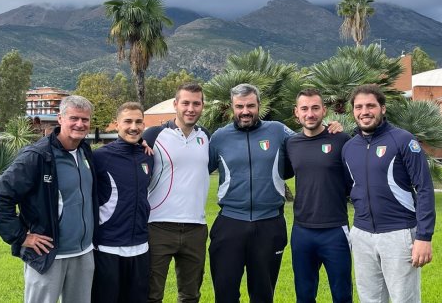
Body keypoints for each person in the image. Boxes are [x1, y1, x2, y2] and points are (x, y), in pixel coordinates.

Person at [0, 95, 97, 303]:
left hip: (83, 253)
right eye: (74, 118)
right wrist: (21, 237)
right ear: (60, 119)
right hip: (49, 255)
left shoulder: (84, 151)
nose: (80, 124)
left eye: (85, 119)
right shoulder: (37, 156)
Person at [341, 84, 435, 303]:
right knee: (370, 299)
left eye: (371, 105)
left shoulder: (402, 140)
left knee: (404, 299)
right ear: (353, 111)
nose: (364, 111)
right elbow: (348, 189)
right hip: (362, 235)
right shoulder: (349, 147)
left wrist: (423, 237)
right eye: (359, 107)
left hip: (399, 234)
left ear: (383, 108)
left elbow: (424, 188)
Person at [207, 83, 294, 303]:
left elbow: (310, 140)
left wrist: (332, 129)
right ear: (232, 108)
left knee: (263, 295)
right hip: (230, 224)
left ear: (259, 106)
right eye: (239, 106)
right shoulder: (219, 137)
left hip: (270, 224)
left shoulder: (278, 130)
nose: (245, 111)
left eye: (250, 106)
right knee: (225, 294)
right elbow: (192, 165)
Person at [142, 83, 211, 303]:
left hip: (196, 229)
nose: (191, 108)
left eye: (196, 103)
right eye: (186, 103)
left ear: (202, 106)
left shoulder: (206, 136)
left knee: (190, 296)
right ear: (175, 104)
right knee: (152, 295)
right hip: (158, 227)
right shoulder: (154, 134)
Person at [284, 88, 353, 303]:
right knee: (304, 295)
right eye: (304, 109)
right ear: (297, 112)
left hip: (335, 230)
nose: (310, 114)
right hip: (302, 231)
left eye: (315, 108)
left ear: (324, 110)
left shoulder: (341, 140)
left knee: (342, 295)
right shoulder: (290, 144)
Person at [91, 102, 154, 302]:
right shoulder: (99, 157)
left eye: (138, 122)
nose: (133, 127)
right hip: (108, 248)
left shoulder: (148, 156)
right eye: (127, 121)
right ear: (116, 124)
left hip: (141, 247)